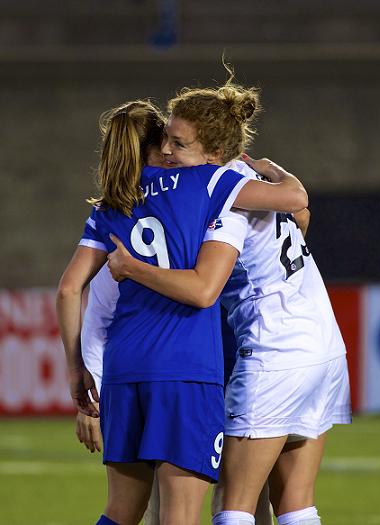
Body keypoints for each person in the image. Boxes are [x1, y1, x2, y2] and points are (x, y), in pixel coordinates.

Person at [102, 88, 352, 525]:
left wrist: (132, 267)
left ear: (215, 152)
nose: (166, 151)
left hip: (276, 354)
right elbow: (300, 212)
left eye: (179, 145)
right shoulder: (254, 186)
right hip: (324, 348)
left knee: (232, 505)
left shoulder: (223, 197)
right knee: (295, 502)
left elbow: (203, 288)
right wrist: (274, 170)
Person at [57, 90, 307, 525]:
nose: (173, 151)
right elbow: (294, 202)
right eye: (169, 142)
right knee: (182, 514)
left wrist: (77, 368)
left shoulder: (109, 206)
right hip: (186, 370)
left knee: (120, 511)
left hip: (123, 368)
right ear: (158, 144)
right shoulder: (205, 181)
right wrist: (269, 170)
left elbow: (67, 290)